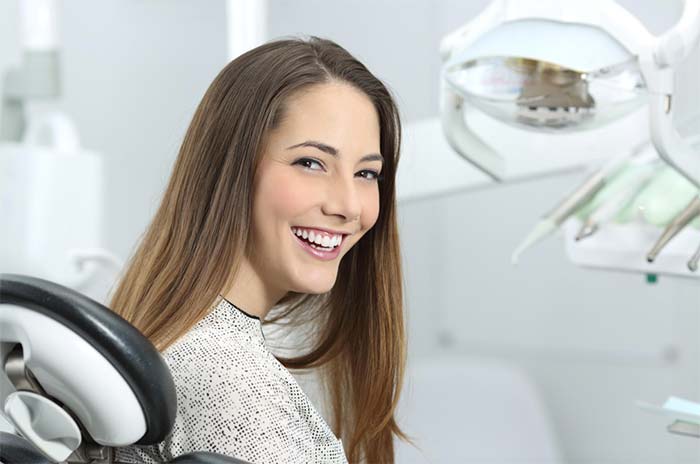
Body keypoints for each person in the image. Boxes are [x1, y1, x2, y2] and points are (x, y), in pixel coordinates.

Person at [112, 35, 411, 464]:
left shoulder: (191, 343)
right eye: (310, 163)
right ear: (231, 170)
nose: (347, 206)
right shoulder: (229, 377)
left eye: (366, 173)